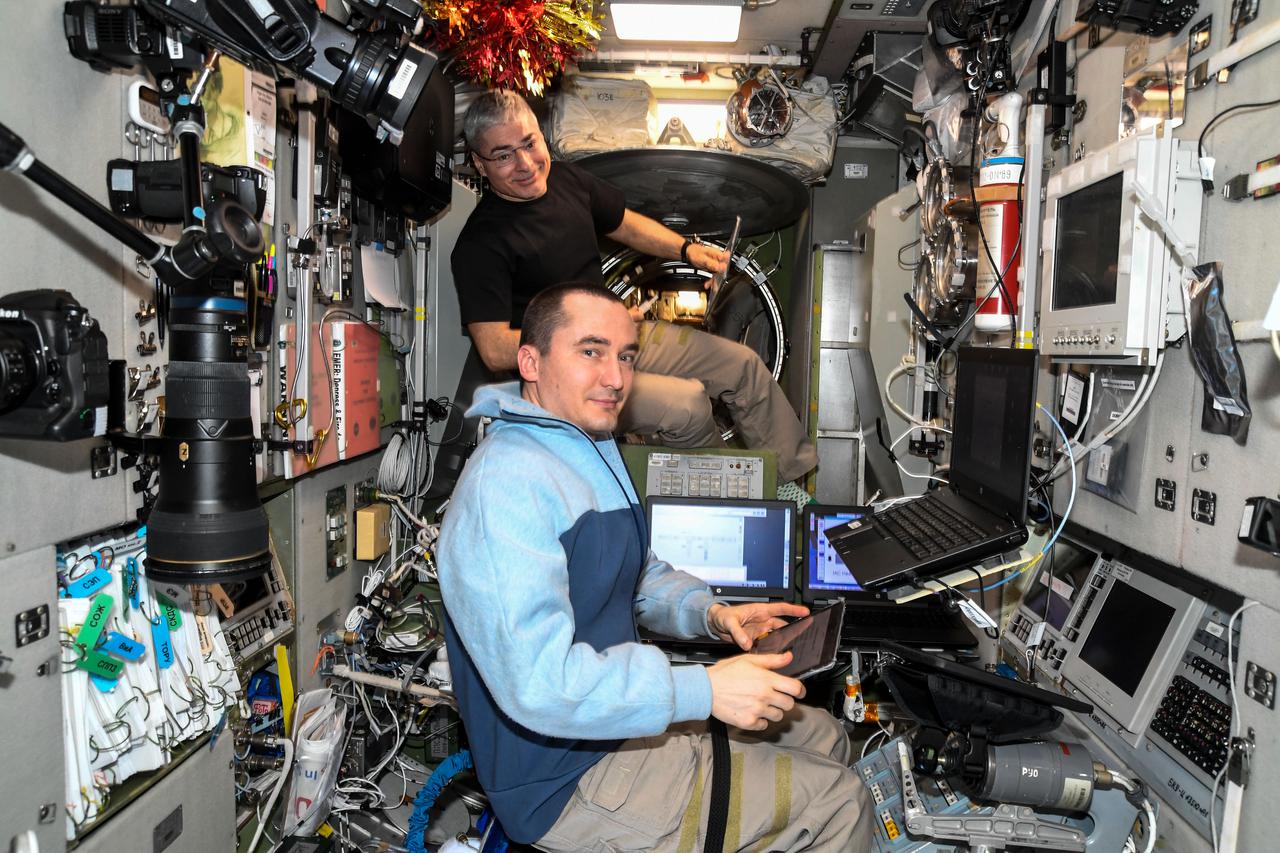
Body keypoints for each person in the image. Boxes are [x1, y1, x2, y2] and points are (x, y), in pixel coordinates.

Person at [436, 282, 873, 851]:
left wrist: (713, 614)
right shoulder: (507, 486)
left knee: (825, 735)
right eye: (590, 351)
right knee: (841, 801)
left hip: (611, 729)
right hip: (564, 781)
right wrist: (704, 690)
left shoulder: (586, 445)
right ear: (531, 361)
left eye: (626, 355)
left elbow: (636, 572)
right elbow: (541, 686)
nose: (615, 377)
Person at [449, 89, 817, 483]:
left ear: (541, 135)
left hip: (621, 334)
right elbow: (494, 349)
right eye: (503, 155)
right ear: (479, 164)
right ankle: (734, 495)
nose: (525, 164)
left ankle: (790, 484)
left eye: (529, 143)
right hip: (570, 371)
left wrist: (688, 250)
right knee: (689, 405)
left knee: (743, 366)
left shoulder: (567, 180)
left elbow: (624, 223)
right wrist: (589, 336)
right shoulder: (479, 242)